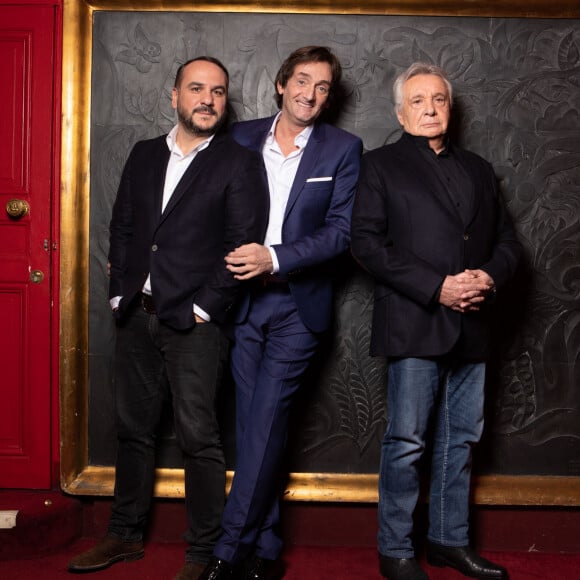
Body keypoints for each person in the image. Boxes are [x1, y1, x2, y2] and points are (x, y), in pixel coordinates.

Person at [67, 56, 268, 580]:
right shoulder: (143, 154)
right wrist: (118, 295)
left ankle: (203, 553)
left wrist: (204, 308)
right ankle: (125, 535)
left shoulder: (239, 163)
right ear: (173, 96)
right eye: (197, 89)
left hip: (196, 324)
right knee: (132, 430)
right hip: (136, 314)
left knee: (199, 438)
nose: (208, 99)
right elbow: (124, 227)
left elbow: (241, 244)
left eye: (219, 92)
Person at [350, 62, 521, 580]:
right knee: (407, 442)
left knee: (462, 438)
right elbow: (366, 245)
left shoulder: (478, 168)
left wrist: (487, 278)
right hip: (415, 319)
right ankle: (396, 549)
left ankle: (449, 541)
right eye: (419, 100)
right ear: (401, 111)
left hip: (473, 323)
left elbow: (510, 245)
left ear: (451, 107)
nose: (430, 108)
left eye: (439, 99)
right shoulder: (379, 166)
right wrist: (437, 287)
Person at [198, 46, 363, 580]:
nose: (309, 94)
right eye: (301, 81)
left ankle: (229, 550)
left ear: (329, 96)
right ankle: (266, 548)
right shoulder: (239, 137)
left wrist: (275, 257)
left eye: (321, 87)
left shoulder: (343, 148)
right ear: (280, 84)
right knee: (252, 427)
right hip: (239, 301)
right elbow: (210, 209)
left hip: (298, 304)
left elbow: (341, 233)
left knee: (265, 420)